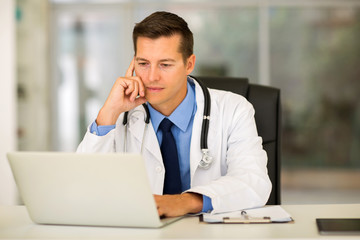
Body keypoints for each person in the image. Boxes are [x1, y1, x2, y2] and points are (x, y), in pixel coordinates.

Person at [77, 11, 271, 217]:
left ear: (189, 64)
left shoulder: (233, 109)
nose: (152, 77)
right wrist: (109, 112)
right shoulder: (120, 116)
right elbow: (83, 187)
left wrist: (184, 202)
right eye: (143, 64)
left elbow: (253, 182)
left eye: (165, 65)